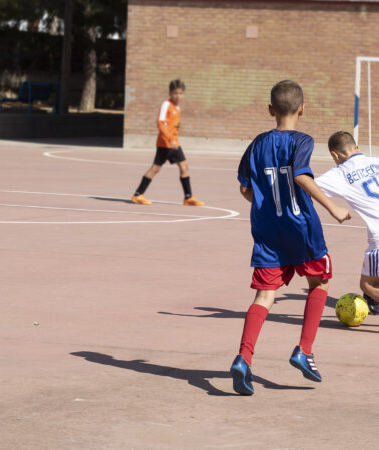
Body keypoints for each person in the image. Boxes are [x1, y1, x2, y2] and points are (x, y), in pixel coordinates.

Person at [230, 80, 351, 395]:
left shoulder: (257, 143)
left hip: (267, 231)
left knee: (264, 297)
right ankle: (304, 351)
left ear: (271, 110)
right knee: (320, 282)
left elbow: (245, 187)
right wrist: (333, 207)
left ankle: (244, 357)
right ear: (302, 108)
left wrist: (265, 206)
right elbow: (300, 174)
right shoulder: (302, 140)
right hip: (302, 228)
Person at [315, 131, 379, 315]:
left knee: (366, 285)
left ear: (335, 154)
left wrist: (333, 207)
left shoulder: (340, 173)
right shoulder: (375, 160)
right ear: (357, 148)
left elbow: (309, 186)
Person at [131, 79, 204, 206]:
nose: (178, 96)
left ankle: (188, 197)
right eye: (175, 93)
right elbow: (160, 122)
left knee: (183, 166)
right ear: (170, 93)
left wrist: (174, 139)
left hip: (174, 143)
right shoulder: (166, 104)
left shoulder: (177, 107)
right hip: (165, 143)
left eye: (181, 93)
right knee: (155, 168)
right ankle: (138, 195)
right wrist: (170, 139)